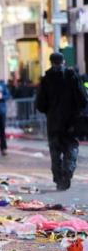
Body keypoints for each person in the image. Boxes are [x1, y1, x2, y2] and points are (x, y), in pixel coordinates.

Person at [36, 52, 88, 191]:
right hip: (71, 122)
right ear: (63, 61)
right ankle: (68, 171)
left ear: (51, 62)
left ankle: (58, 178)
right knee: (71, 148)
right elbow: (83, 99)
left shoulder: (46, 79)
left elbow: (40, 104)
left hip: (53, 122)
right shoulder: (72, 77)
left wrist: (50, 111)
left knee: (55, 151)